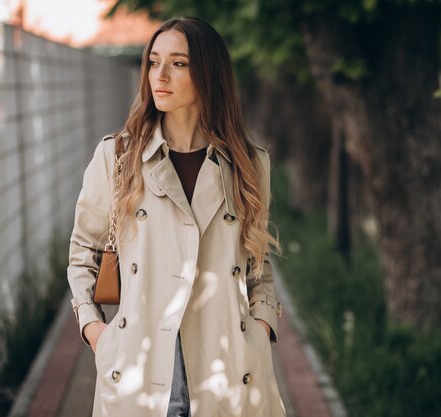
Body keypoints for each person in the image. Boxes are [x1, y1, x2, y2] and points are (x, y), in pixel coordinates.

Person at [67, 16, 285, 417]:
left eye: (179, 63)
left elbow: (257, 264)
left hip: (229, 372)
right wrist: (97, 333)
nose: (159, 75)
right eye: (153, 61)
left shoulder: (249, 164)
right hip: (138, 371)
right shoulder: (118, 158)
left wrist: (261, 327)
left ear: (208, 75)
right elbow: (84, 251)